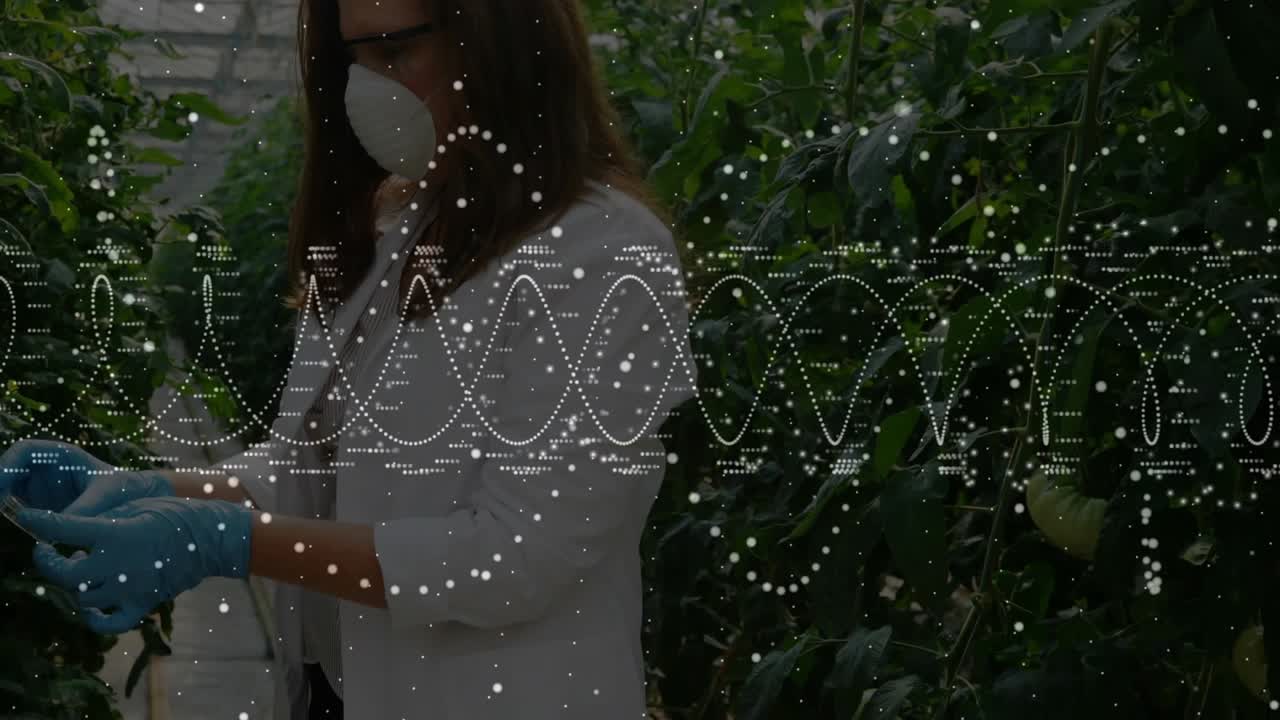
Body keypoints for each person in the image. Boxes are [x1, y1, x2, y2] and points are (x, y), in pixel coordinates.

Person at [0, 1, 697, 718]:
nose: (368, 89)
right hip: (339, 691)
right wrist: (155, 489)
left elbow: (516, 556)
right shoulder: (394, 227)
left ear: (502, 47)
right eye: (354, 59)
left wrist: (230, 544)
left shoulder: (604, 257)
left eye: (395, 52)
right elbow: (317, 473)